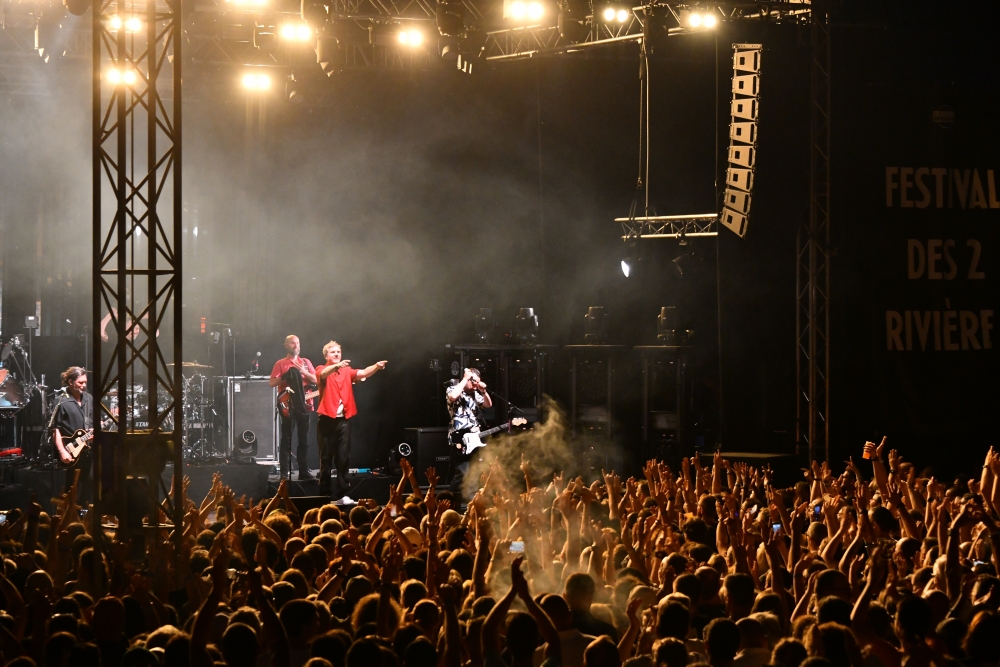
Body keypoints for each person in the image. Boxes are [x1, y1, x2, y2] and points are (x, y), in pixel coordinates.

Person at [314, 341, 387, 504]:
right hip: (326, 420)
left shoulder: (346, 371)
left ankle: (342, 494)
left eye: (338, 352)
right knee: (326, 459)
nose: (336, 354)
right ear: (326, 355)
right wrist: (336, 366)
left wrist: (376, 366)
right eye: (333, 352)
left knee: (343, 458)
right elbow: (323, 374)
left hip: (344, 421)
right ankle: (324, 495)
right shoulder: (321, 369)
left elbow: (363, 373)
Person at [270, 335, 318, 481]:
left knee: (304, 440)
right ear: (286, 345)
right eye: (292, 343)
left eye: (298, 343)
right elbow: (272, 383)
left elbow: (316, 380)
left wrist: (303, 371)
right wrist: (285, 376)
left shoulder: (306, 362)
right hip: (288, 406)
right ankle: (285, 472)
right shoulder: (280, 363)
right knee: (286, 439)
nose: (296, 345)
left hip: (305, 406)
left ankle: (303, 471)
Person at [445, 367, 492, 493]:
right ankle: (447, 499)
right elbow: (453, 396)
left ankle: (471, 500)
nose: (475, 386)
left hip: (475, 438)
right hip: (459, 438)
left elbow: (488, 405)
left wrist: (483, 391)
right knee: (463, 472)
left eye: (478, 382)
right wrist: (465, 379)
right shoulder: (453, 389)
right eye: (474, 382)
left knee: (476, 472)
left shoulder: (475, 394)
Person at [51, 366, 95, 501]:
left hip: (88, 450)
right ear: (70, 382)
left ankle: (84, 511)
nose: (84, 385)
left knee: (90, 485)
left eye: (85, 382)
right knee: (70, 488)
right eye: (80, 382)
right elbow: (56, 430)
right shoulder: (61, 401)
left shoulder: (89, 398)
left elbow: (93, 421)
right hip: (71, 452)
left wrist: (94, 431)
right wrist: (62, 451)